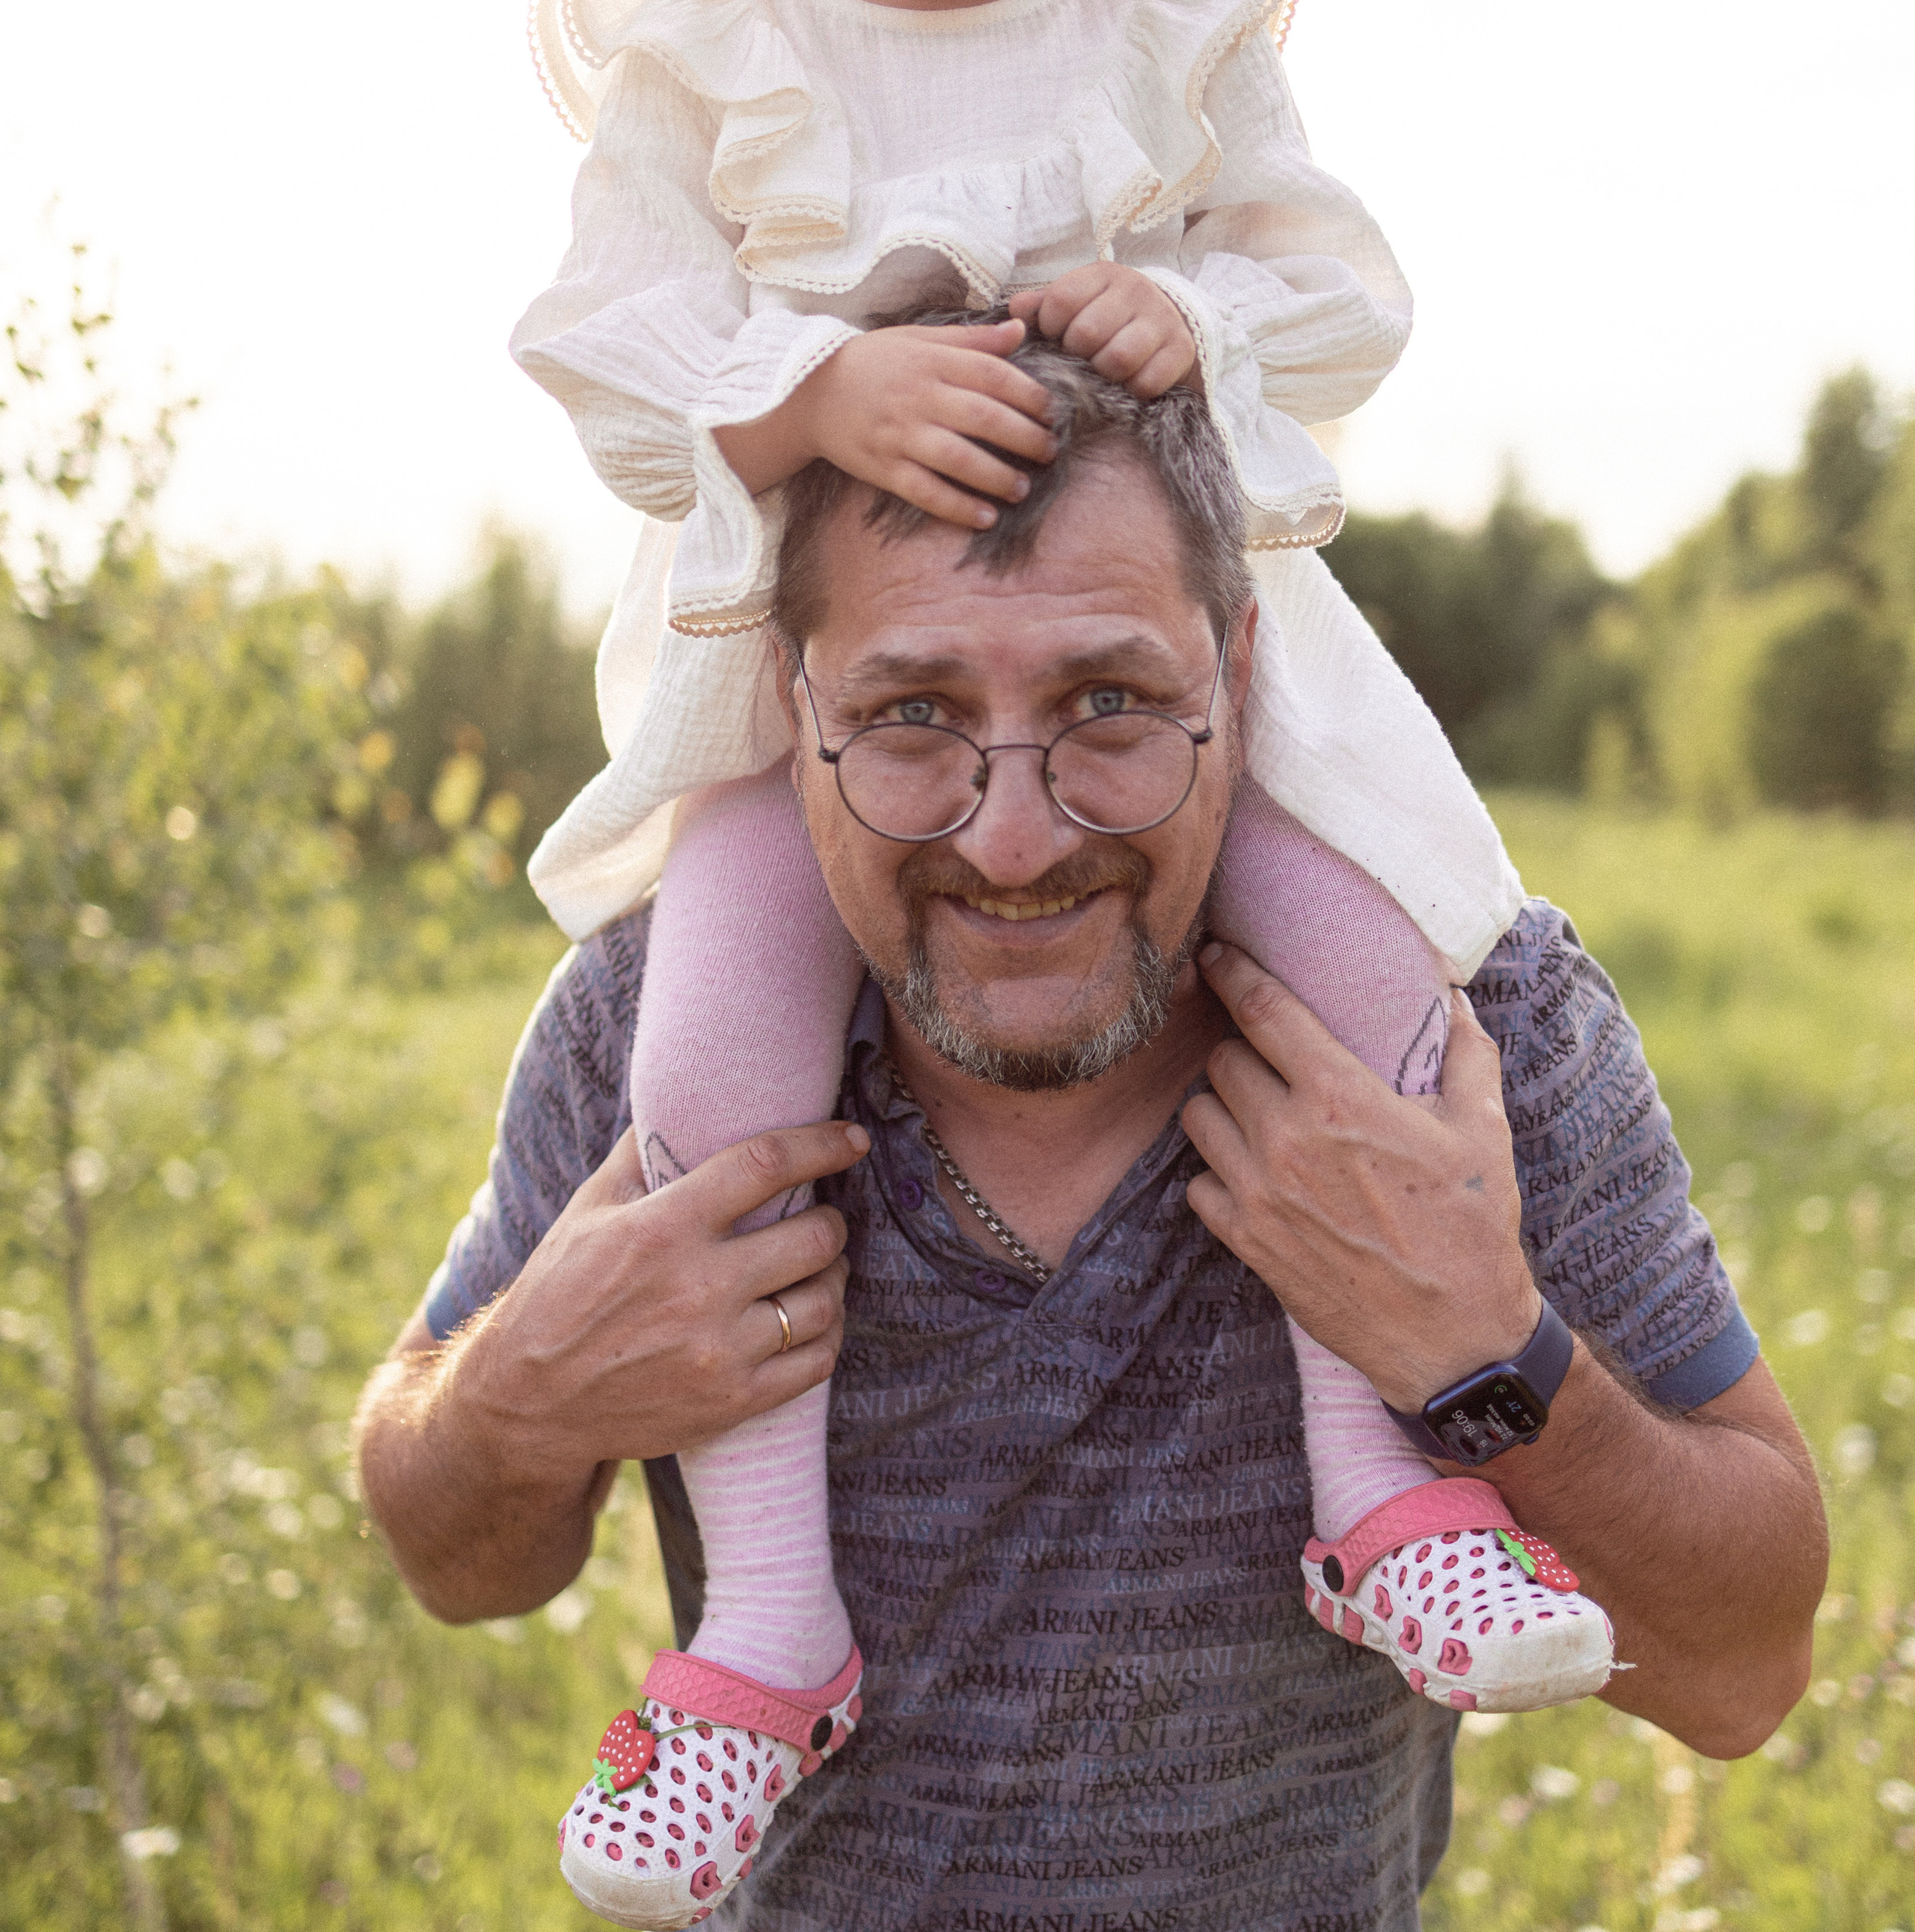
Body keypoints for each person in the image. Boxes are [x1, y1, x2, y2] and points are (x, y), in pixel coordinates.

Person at [500, 0, 1640, 1915]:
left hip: (1190, 702)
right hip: (809, 726)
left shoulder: (1170, 37)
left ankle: (1385, 1492)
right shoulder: (714, 50)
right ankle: (769, 1638)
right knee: (708, 1077)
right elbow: (605, 339)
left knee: (1364, 998)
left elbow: (1336, 295)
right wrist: (811, 378)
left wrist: (1180, 313)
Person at [354, 355, 1827, 1932]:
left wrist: (1484, 1352)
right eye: (911, 715)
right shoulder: (650, 1032)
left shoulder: (1480, 1030)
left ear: (1240, 676)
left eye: (1107, 704)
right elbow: (456, 1559)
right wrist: (514, 1398)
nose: (1012, 835)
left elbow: (1743, 1672)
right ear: (793, 708)